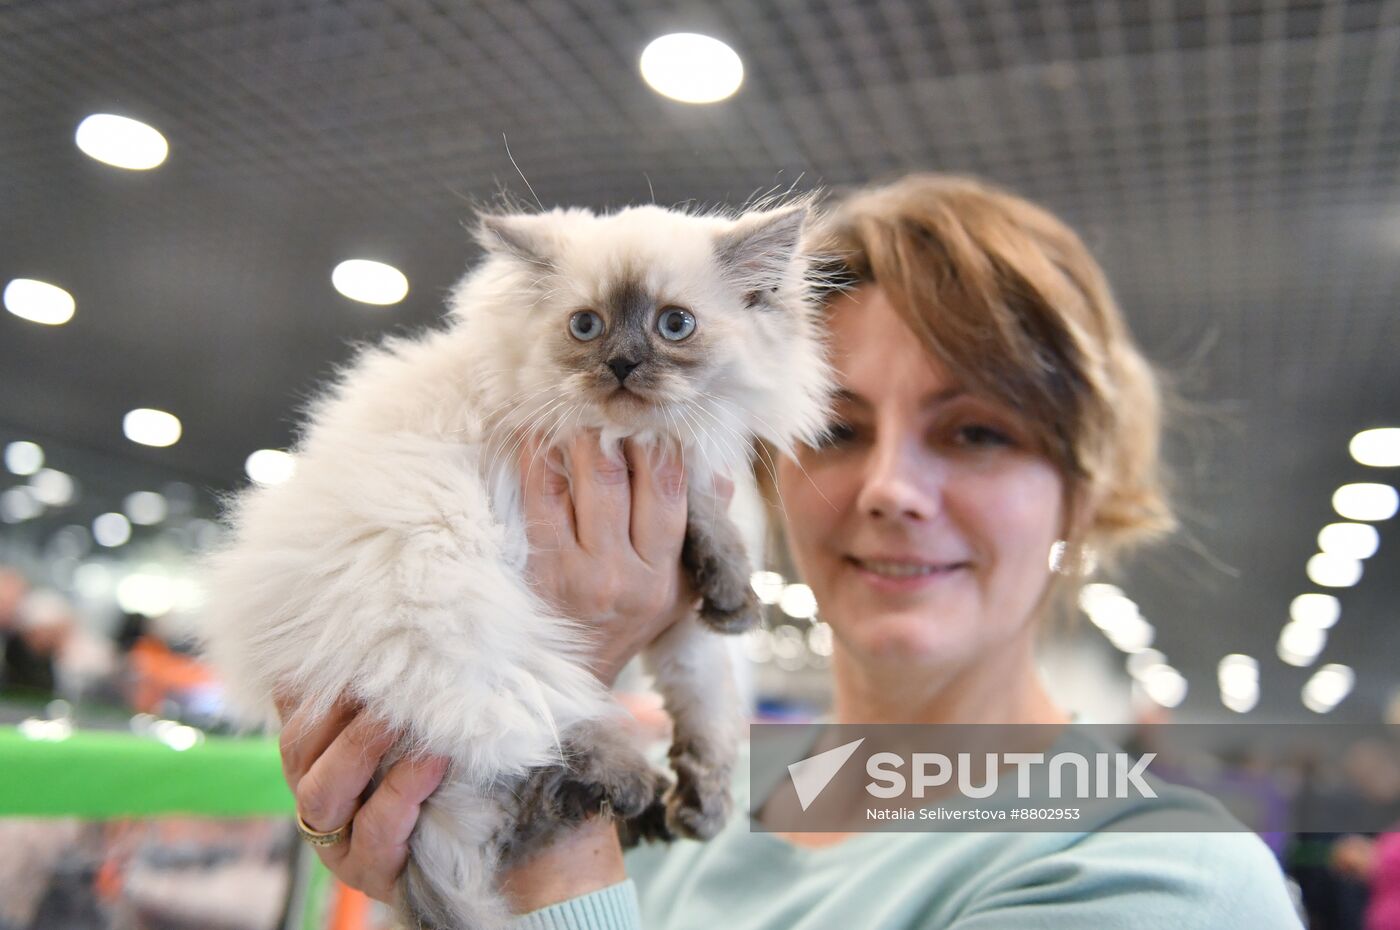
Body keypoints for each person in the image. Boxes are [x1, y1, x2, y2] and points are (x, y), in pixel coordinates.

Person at [274, 174, 1303, 926]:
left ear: (1083, 490)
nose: (892, 489)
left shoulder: (1163, 879)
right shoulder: (685, 801)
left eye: (975, 433)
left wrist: (547, 818)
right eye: (841, 430)